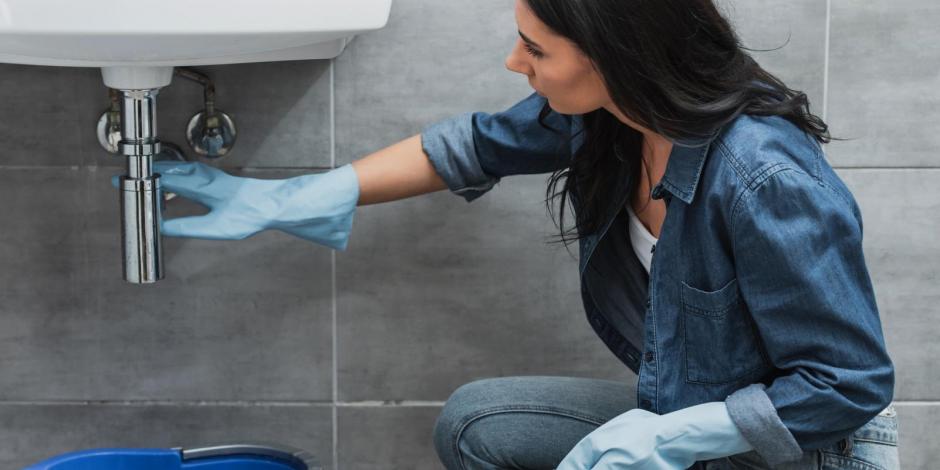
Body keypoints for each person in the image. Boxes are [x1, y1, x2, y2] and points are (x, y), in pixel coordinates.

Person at [121, 0, 900, 468]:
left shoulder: (763, 175)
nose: (512, 59)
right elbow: (474, 144)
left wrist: (677, 439)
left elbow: (850, 383)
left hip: (794, 454)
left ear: (616, 58)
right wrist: (292, 198)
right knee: (478, 424)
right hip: (693, 422)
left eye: (536, 48)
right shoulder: (620, 122)